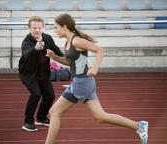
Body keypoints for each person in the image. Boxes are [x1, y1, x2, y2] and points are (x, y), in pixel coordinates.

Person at [45, 13, 149, 144]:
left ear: (64, 27)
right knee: (101, 117)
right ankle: (139, 126)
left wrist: (95, 68)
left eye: (56, 27)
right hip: (82, 82)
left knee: (54, 112)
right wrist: (54, 57)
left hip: (82, 82)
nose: (55, 30)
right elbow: (69, 62)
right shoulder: (68, 42)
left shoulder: (77, 40)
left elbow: (99, 50)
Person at [18, 16, 64, 132]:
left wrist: (66, 58)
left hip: (43, 72)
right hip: (29, 74)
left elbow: (55, 49)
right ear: (29, 28)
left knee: (50, 95)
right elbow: (26, 54)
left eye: (39, 28)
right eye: (34, 28)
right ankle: (28, 122)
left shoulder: (47, 38)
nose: (37, 30)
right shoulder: (27, 41)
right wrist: (35, 48)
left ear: (43, 27)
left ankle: (41, 118)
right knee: (36, 94)